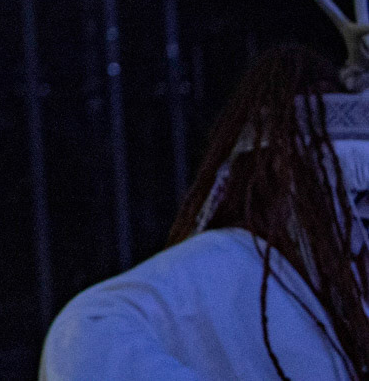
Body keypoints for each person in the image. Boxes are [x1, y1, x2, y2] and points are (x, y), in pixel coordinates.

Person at [40, 45, 369, 381]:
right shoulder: (222, 262)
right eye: (354, 191)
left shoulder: (341, 298)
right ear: (280, 170)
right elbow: (81, 332)